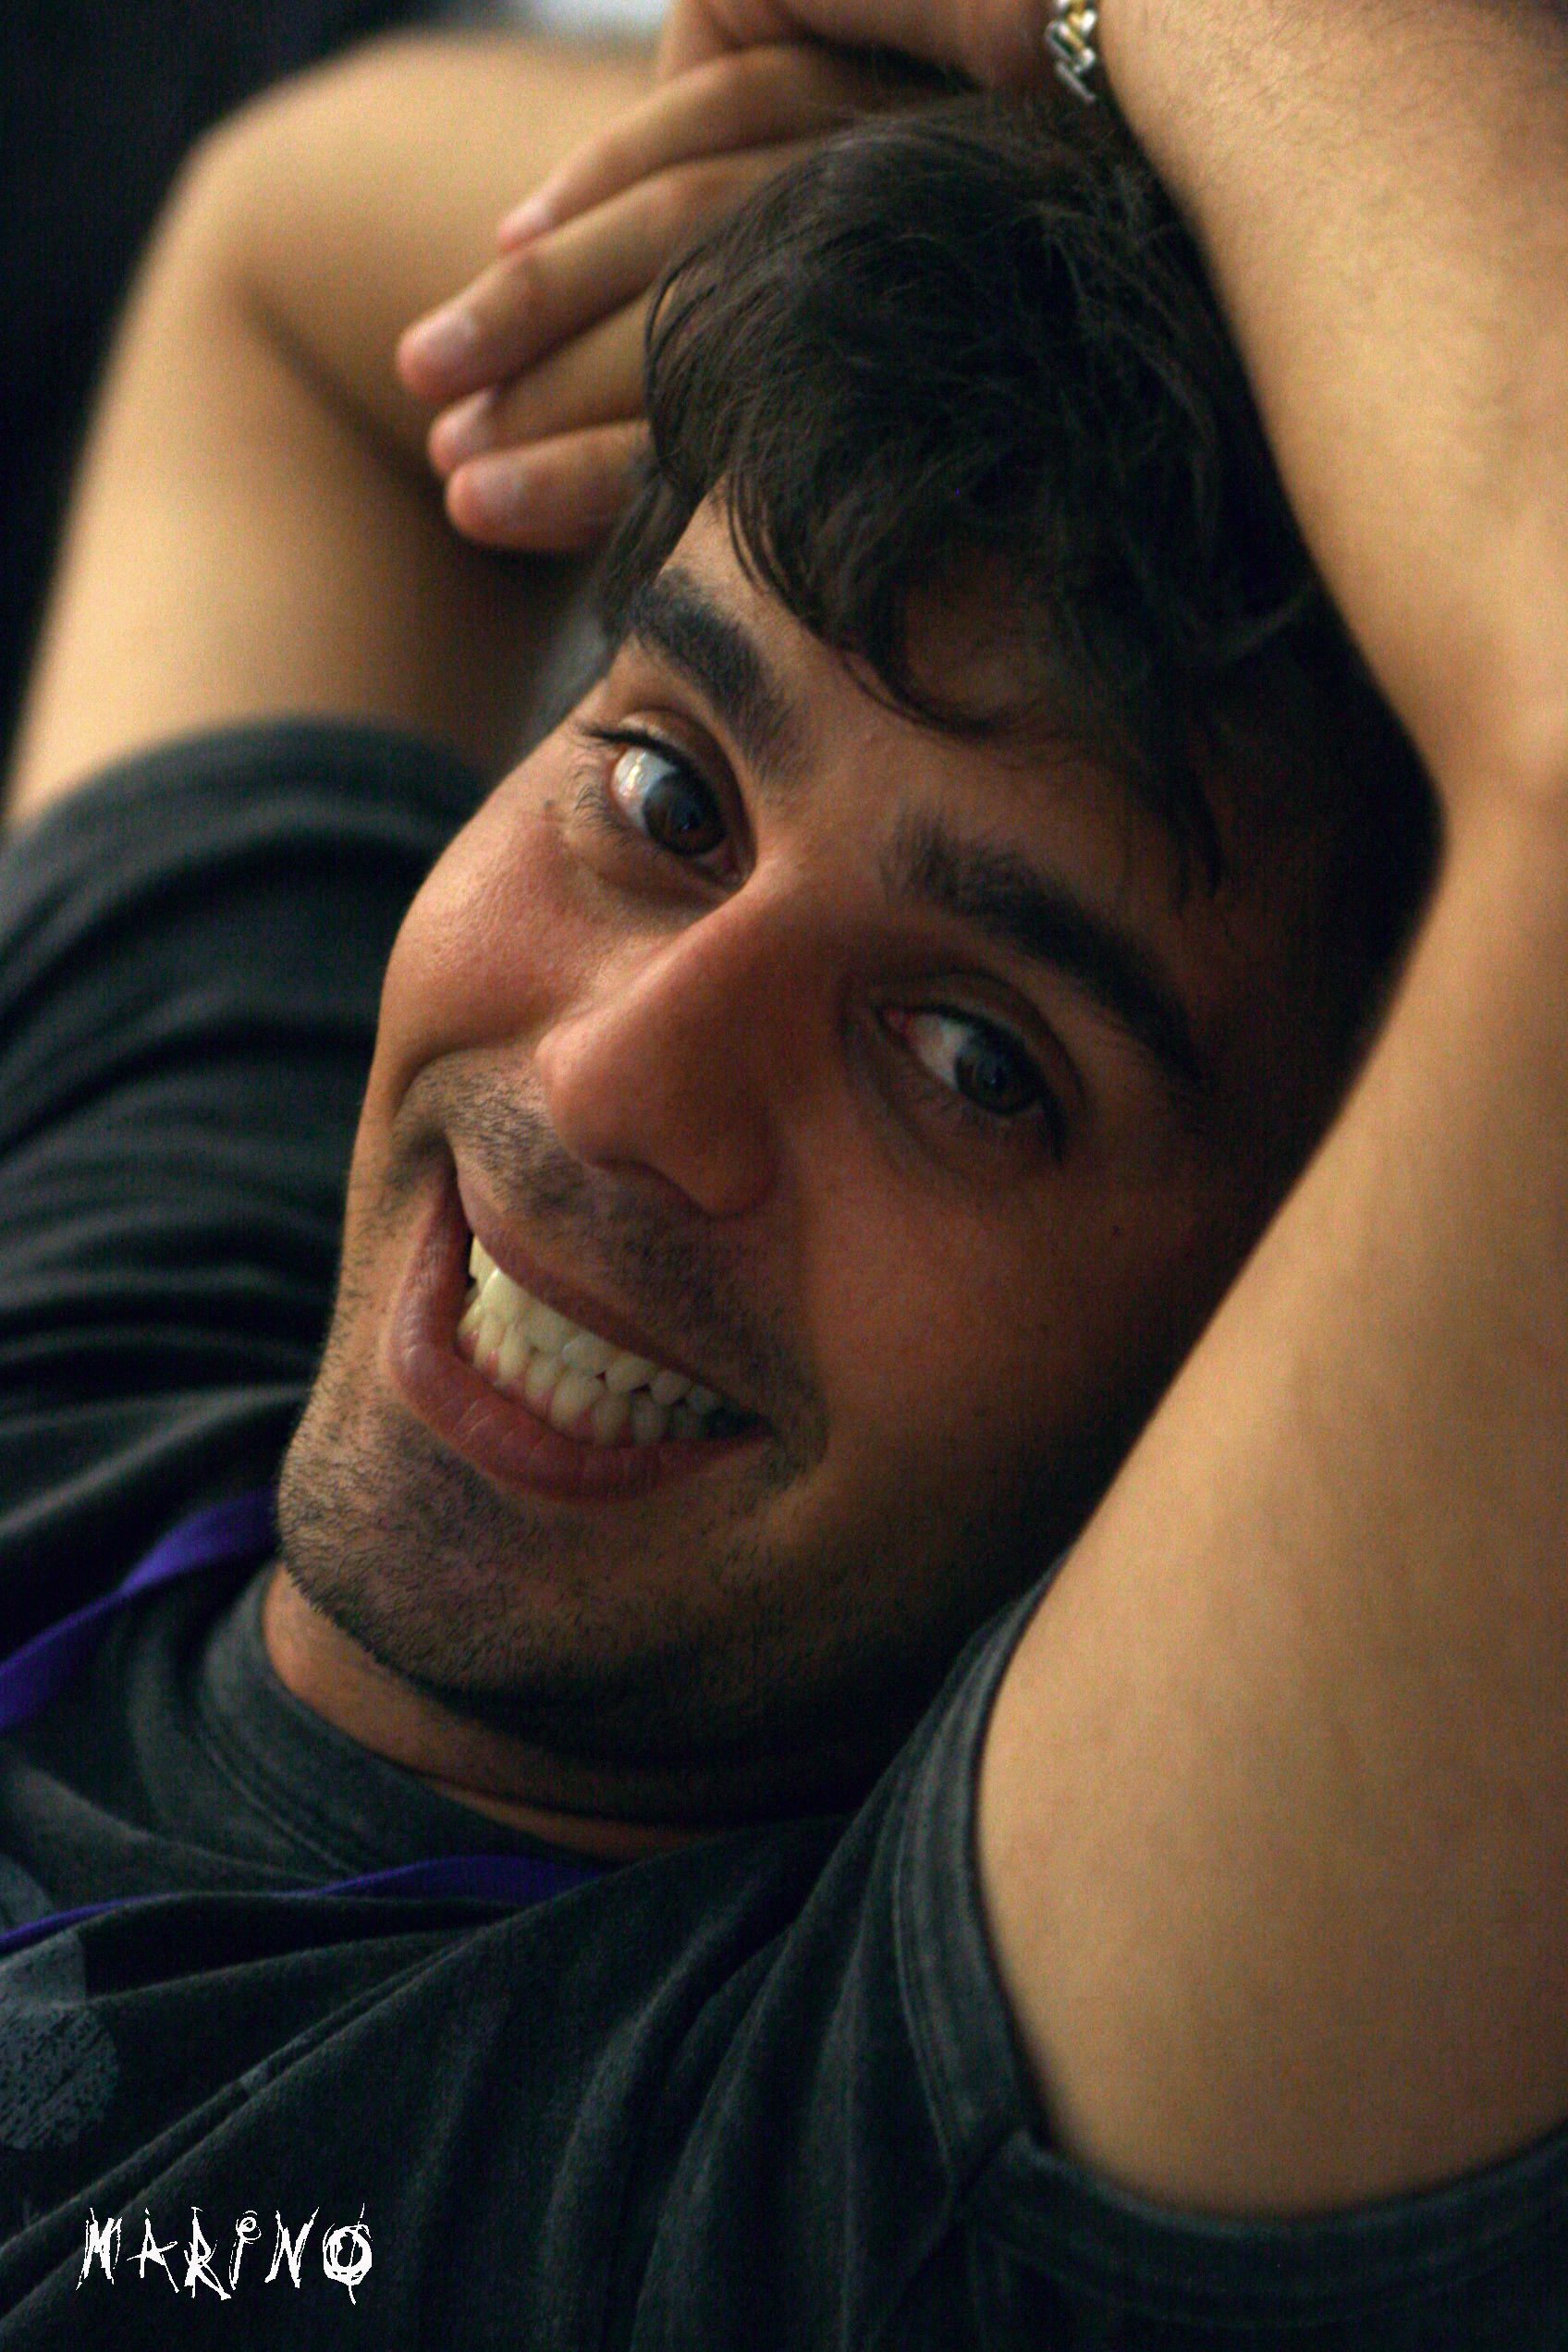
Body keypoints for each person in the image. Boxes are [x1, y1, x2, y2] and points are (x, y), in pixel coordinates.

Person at [0, 8, 1562, 2347]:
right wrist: (900, 235)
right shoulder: (147, 1325)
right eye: (666, 797)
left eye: (971, 1063)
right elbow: (289, 278)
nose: (615, 1079)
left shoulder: (838, 2169)